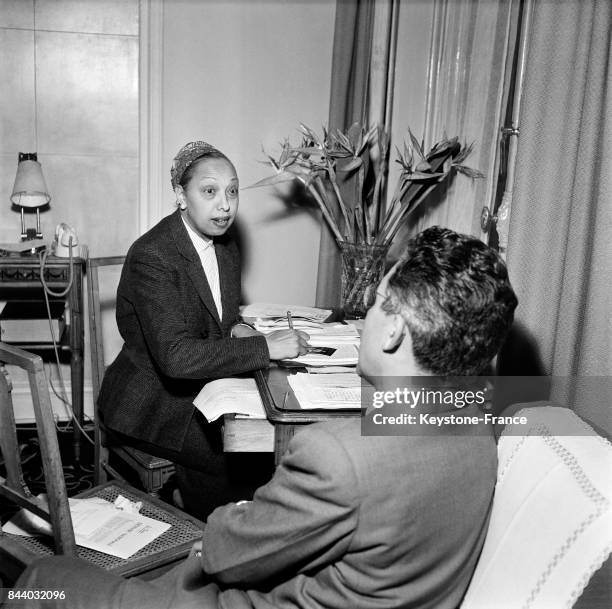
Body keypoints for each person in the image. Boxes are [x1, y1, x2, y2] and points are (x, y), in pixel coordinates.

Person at [8, 226, 518, 609]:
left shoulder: (338, 456)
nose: (368, 309)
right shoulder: (478, 427)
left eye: (379, 301)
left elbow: (226, 549)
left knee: (42, 582)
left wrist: (239, 516)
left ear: (393, 333)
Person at [97, 141, 309, 516]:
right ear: (181, 196)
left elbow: (221, 321)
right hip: (151, 401)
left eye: (232, 191)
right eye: (209, 191)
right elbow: (176, 358)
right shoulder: (154, 255)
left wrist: (240, 331)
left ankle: (209, 516)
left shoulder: (224, 247)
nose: (225, 205)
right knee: (241, 456)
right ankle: (208, 534)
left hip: (201, 386)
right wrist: (266, 348)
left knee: (263, 442)